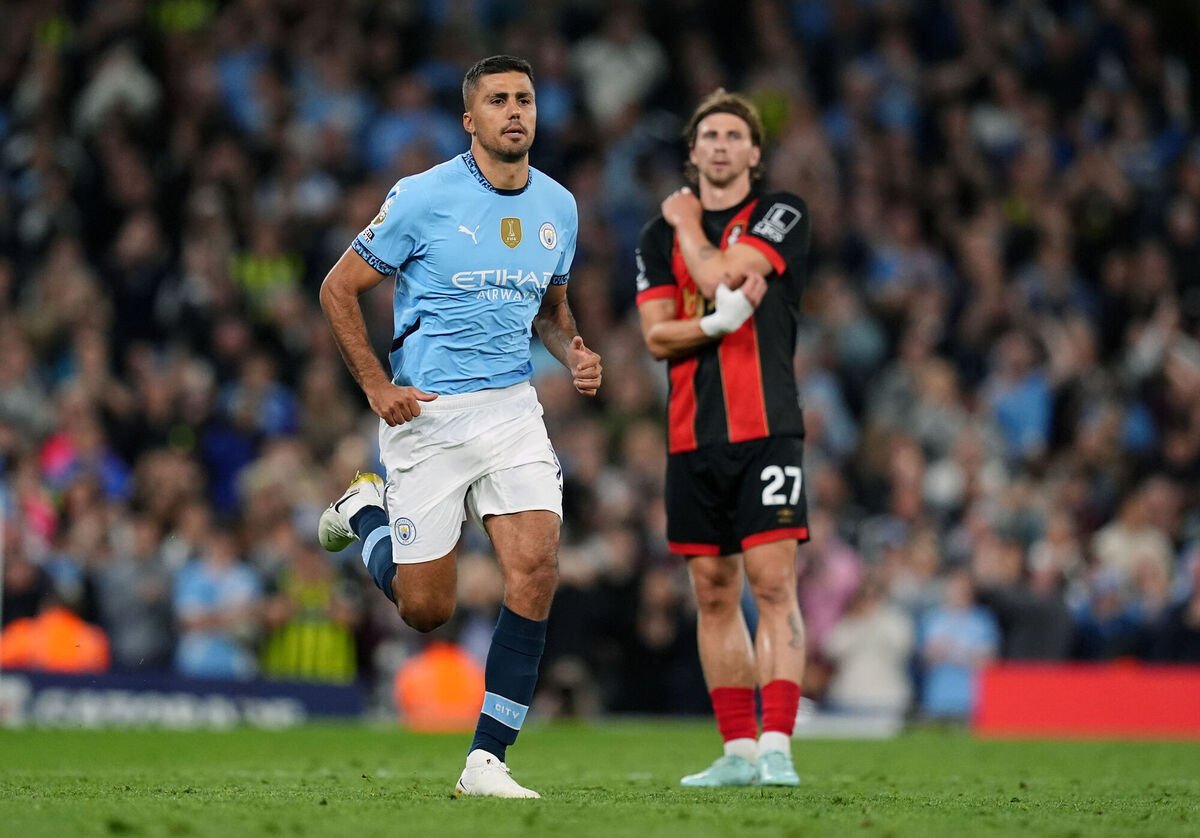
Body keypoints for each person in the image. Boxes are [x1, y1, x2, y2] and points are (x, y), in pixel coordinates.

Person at [316, 55, 601, 799]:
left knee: (535, 568)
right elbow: (338, 288)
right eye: (499, 100)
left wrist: (572, 350)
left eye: (526, 99)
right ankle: (364, 512)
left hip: (511, 411)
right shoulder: (421, 197)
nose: (516, 111)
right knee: (426, 611)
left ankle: (488, 759)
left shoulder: (559, 207)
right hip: (429, 418)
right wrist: (377, 385)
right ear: (470, 120)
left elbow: (549, 307)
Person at [635, 90, 811, 787]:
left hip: (767, 427)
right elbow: (656, 337)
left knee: (772, 585)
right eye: (708, 133)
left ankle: (779, 747)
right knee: (712, 591)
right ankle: (739, 752)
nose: (720, 144)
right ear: (692, 150)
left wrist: (687, 229)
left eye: (734, 134)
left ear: (754, 154)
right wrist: (713, 323)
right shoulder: (654, 239)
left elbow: (722, 275)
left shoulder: (780, 213)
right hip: (689, 436)